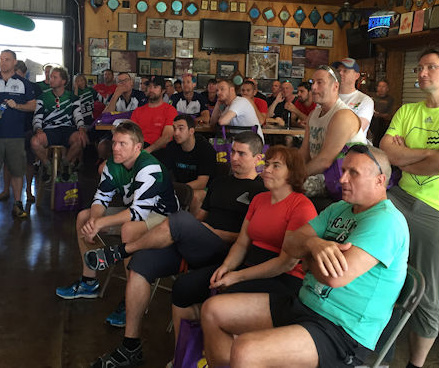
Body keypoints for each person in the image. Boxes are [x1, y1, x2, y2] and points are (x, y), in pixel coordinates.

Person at [201, 145, 409, 368]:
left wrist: (307, 259)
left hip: (341, 330)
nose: (342, 180)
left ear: (380, 180)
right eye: (343, 170)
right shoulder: (339, 208)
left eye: (353, 173)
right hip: (304, 304)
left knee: (246, 350)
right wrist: (313, 243)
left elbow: (334, 277)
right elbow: (290, 243)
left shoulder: (386, 221)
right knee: (212, 311)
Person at [84, 132, 267, 368]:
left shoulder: (260, 192)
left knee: (179, 219)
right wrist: (190, 230)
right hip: (198, 242)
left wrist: (213, 232)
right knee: (140, 264)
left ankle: (121, 251)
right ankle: (130, 346)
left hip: (225, 252)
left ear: (258, 158)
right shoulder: (220, 183)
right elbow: (200, 219)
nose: (234, 158)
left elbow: (249, 239)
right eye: (232, 152)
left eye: (241, 154)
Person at [380, 47, 439, 368]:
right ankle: (372, 350)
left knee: (426, 294)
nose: (421, 73)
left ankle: (416, 364)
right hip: (400, 198)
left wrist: (406, 158)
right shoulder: (407, 111)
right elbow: (387, 153)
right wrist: (427, 155)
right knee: (372, 267)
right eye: (419, 68)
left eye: (430, 67)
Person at [170, 146, 316, 348]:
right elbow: (241, 243)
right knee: (183, 287)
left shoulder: (302, 206)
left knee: (226, 297)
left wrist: (237, 276)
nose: (267, 170)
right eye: (267, 164)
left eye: (276, 166)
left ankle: (219, 355)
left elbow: (285, 263)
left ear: (292, 173)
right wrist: (226, 268)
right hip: (248, 266)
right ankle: (184, 356)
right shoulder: (259, 199)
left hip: (283, 278)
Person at [55, 121, 178, 307]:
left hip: (164, 218)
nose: (115, 148)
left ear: (137, 147)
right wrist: (94, 220)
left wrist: (101, 224)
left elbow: (138, 212)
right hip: (137, 213)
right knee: (84, 218)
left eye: (122, 144)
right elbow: (101, 198)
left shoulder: (149, 166)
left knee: (129, 228)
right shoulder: (112, 163)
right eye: (114, 143)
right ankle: (89, 283)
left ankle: (131, 298)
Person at [0, 49, 36, 220]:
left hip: (16, 136)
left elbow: (33, 105)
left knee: (17, 172)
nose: (3, 62)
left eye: (7, 59)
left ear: (14, 62)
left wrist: (17, 106)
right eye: (1, 59)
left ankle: (18, 204)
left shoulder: (24, 83)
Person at [300, 66, 365, 195]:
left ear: (335, 86)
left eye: (320, 83)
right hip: (320, 175)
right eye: (313, 82)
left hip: (343, 180)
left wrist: (292, 177)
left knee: (284, 188)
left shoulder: (343, 115)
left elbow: (325, 161)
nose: (313, 87)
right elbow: (304, 153)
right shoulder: (313, 114)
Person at [31, 66, 88, 180]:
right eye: (51, 77)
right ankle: (48, 165)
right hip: (49, 130)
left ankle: (65, 163)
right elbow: (37, 117)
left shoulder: (73, 97)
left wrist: (81, 129)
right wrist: (38, 129)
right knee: (34, 142)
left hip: (67, 129)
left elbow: (78, 115)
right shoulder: (42, 97)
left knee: (81, 139)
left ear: (63, 81)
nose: (50, 79)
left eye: (54, 77)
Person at [164, 114, 217, 212]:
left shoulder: (206, 149)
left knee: (194, 197)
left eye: (181, 129)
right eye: (174, 129)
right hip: (181, 186)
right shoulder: (171, 147)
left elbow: (202, 183)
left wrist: (177, 189)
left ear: (191, 131)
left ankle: (190, 222)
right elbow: (167, 172)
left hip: (205, 189)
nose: (176, 133)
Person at [130, 75, 177, 154]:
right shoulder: (137, 111)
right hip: (139, 149)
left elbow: (167, 137)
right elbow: (131, 133)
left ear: (163, 90)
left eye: (155, 87)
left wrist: (147, 151)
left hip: (160, 151)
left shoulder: (170, 110)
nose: (151, 90)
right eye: (149, 86)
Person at [333, 58, 374, 137]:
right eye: (338, 71)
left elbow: (356, 131)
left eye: (345, 71)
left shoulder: (365, 100)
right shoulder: (328, 96)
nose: (340, 73)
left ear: (357, 76)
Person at [370, 79, 394, 145]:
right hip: (371, 122)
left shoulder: (390, 99)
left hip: (382, 124)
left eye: (383, 87)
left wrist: (379, 115)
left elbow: (389, 114)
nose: (381, 88)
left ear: (387, 89)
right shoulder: (371, 97)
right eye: (379, 86)